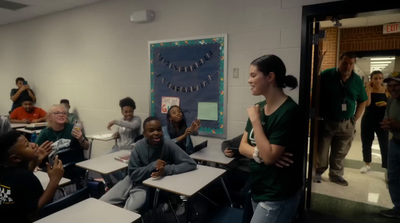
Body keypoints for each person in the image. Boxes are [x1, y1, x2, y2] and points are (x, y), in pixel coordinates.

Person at [239, 54, 303, 223]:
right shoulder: (258, 108)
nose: (249, 80)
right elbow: (242, 147)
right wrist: (262, 154)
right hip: (259, 187)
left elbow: (269, 157)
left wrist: (256, 121)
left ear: (270, 77)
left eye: (253, 75)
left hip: (277, 194)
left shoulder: (289, 111)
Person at [100, 116, 197, 213]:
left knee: (129, 211)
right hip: (130, 181)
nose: (156, 133)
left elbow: (190, 163)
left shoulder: (168, 144)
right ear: (144, 134)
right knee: (102, 202)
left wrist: (166, 169)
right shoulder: (138, 146)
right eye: (151, 130)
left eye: (159, 130)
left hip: (147, 185)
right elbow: (133, 173)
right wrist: (153, 165)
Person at [315, 52, 367, 186]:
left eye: (351, 63)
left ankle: (336, 175)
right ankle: (318, 173)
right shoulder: (327, 75)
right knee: (321, 150)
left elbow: (362, 101)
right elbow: (315, 91)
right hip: (327, 121)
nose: (348, 66)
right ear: (339, 62)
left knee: (340, 151)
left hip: (347, 123)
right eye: (345, 63)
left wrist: (355, 119)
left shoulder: (357, 80)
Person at [0, 130, 64, 222]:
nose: (33, 144)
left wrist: (36, 160)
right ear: (15, 158)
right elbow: (35, 210)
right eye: (27, 145)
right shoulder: (24, 177)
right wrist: (54, 180)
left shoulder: (6, 170)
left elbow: (19, 184)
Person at [35, 105, 88, 180]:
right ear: (50, 117)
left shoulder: (72, 128)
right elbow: (35, 152)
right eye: (57, 113)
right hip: (55, 169)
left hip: (73, 165)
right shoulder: (45, 133)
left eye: (64, 113)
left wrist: (81, 139)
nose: (61, 115)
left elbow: (86, 147)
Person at [102, 97, 141, 189]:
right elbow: (119, 131)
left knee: (113, 165)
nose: (128, 114)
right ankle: (109, 183)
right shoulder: (121, 121)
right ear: (122, 112)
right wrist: (116, 134)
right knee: (102, 160)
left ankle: (122, 182)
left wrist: (115, 121)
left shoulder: (137, 119)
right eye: (126, 112)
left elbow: (132, 126)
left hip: (129, 150)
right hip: (118, 148)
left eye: (130, 111)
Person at [380, 71, 400, 218]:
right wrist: (387, 124)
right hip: (395, 143)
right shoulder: (391, 101)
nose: (392, 88)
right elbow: (387, 117)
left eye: (396, 85)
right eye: (390, 86)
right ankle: (398, 208)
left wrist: (397, 125)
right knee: (393, 176)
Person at [360, 70, 389, 173]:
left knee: (384, 143)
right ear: (371, 79)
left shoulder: (386, 90)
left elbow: (391, 104)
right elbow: (367, 104)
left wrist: (385, 104)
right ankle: (367, 164)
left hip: (382, 121)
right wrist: (368, 88)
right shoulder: (368, 89)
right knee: (367, 142)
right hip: (368, 120)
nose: (378, 81)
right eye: (375, 78)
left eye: (380, 78)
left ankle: (386, 167)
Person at [221, 134, 251, 207]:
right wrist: (226, 150)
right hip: (241, 169)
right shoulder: (248, 135)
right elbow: (226, 143)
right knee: (218, 183)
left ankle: (239, 211)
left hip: (255, 173)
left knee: (245, 195)